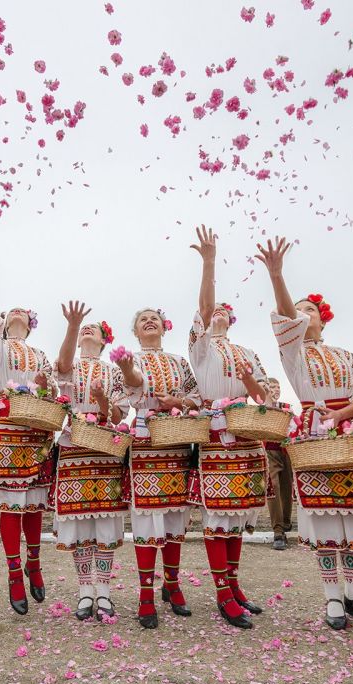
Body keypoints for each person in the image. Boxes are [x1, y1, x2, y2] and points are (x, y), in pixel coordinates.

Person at [257, 237, 353, 632]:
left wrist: (345, 412)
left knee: (350, 515)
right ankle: (333, 597)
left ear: (323, 317)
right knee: (326, 518)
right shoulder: (293, 353)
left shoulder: (346, 355)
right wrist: (277, 274)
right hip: (314, 433)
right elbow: (284, 316)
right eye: (297, 311)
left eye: (309, 309)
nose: (302, 314)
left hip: (346, 432)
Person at [187, 225, 270, 629]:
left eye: (224, 309)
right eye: (213, 309)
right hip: (217, 438)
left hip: (247, 436)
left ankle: (235, 586)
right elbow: (202, 310)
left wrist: (250, 382)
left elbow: (267, 396)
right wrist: (208, 263)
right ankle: (222, 595)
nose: (217, 312)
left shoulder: (247, 350)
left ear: (233, 319)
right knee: (218, 515)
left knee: (237, 516)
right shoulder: (201, 347)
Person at [0, 255, 57, 616]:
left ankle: (33, 563)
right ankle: (13, 574)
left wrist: (45, 386)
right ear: (6, 323)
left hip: (36, 431)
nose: (17, 314)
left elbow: (53, 390)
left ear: (31, 324)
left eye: (24, 311)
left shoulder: (40, 354)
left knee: (34, 503)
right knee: (11, 503)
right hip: (7, 429)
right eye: (12, 312)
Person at [113, 309, 201, 629]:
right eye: (142, 319)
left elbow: (197, 395)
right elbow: (132, 387)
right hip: (146, 441)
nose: (149, 321)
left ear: (165, 326)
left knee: (176, 515)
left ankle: (173, 584)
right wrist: (126, 368)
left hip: (177, 441)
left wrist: (179, 403)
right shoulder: (130, 359)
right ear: (135, 331)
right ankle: (145, 594)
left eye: (154, 318)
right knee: (148, 517)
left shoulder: (179, 361)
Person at [53, 303, 129, 621]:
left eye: (93, 329)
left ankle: (105, 591)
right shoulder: (70, 365)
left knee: (104, 522)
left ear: (103, 340)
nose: (88, 330)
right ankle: (85, 590)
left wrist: (100, 402)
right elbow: (62, 365)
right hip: (73, 447)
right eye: (86, 328)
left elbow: (118, 414)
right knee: (80, 521)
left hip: (104, 449)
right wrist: (73, 325)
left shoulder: (112, 372)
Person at [263, 377, 294, 550]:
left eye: (278, 386)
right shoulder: (261, 409)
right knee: (273, 487)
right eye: (272, 387)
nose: (276, 390)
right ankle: (278, 531)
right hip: (270, 451)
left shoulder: (287, 408)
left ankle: (286, 522)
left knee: (286, 487)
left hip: (286, 451)